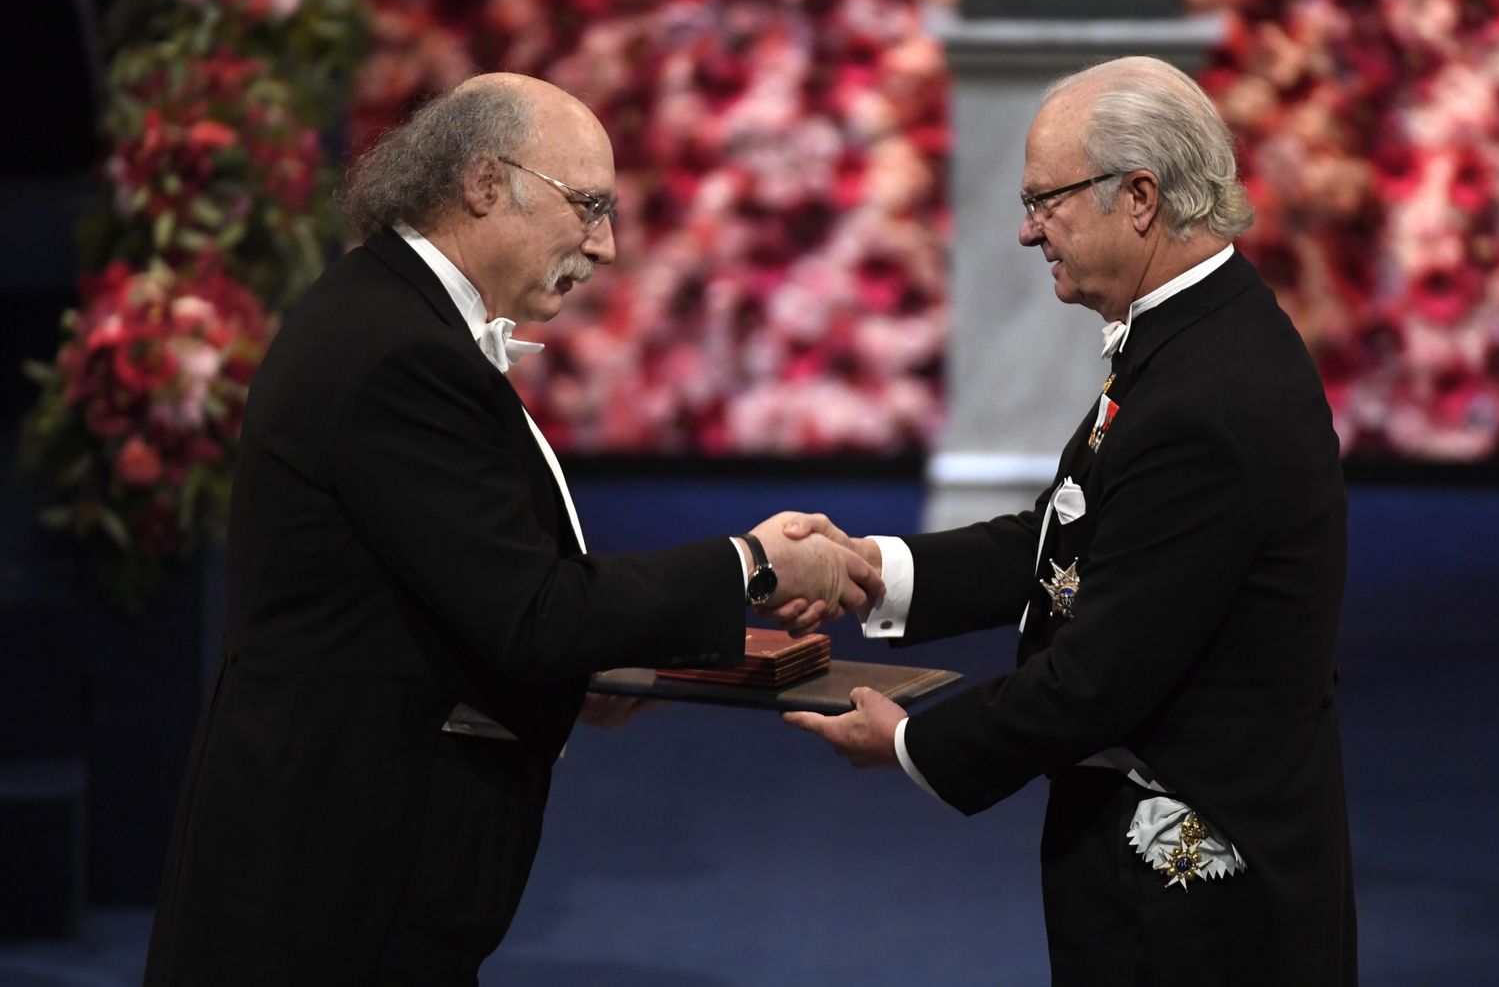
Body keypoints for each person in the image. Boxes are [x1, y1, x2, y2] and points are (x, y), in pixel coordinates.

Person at [143, 73, 881, 987]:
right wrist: (755, 563)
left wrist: (572, 681)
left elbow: (458, 590)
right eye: (589, 206)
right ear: (486, 183)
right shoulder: (397, 351)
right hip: (330, 878)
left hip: (339, 858)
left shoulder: (389, 317)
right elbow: (533, 610)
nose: (607, 246)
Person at [786, 56, 1356, 985]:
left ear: (1140, 196)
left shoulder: (1204, 395)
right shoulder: (1198, 336)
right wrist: (871, 570)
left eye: (1045, 200)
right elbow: (1070, 537)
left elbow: (1097, 680)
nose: (1024, 231)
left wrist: (907, 741)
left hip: (1197, 913)